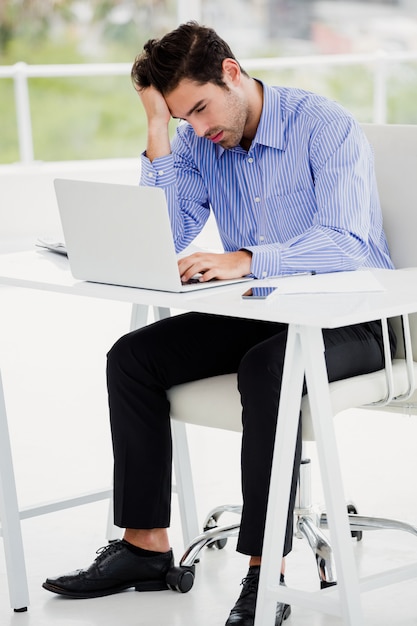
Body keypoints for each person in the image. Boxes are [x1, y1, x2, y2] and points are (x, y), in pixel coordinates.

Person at [43, 21, 396, 626]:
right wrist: (159, 130)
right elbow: (169, 232)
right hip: (264, 308)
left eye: (202, 109)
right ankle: (145, 549)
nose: (201, 130)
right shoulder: (199, 139)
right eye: (185, 119)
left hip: (354, 318)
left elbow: (350, 244)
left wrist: (247, 259)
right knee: (133, 358)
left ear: (232, 71)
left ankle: (266, 576)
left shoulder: (323, 125)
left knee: (266, 368)